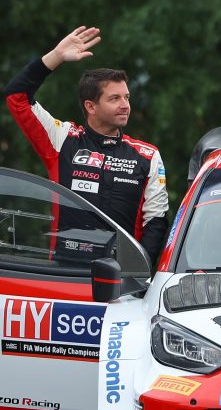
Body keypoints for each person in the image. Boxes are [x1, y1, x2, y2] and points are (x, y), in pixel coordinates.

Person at [4, 25, 168, 266]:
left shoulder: (147, 155)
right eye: (114, 98)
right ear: (90, 106)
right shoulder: (63, 138)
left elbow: (156, 221)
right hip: (64, 274)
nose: (125, 105)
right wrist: (56, 57)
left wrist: (136, 275)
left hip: (120, 280)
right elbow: (16, 97)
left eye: (127, 97)